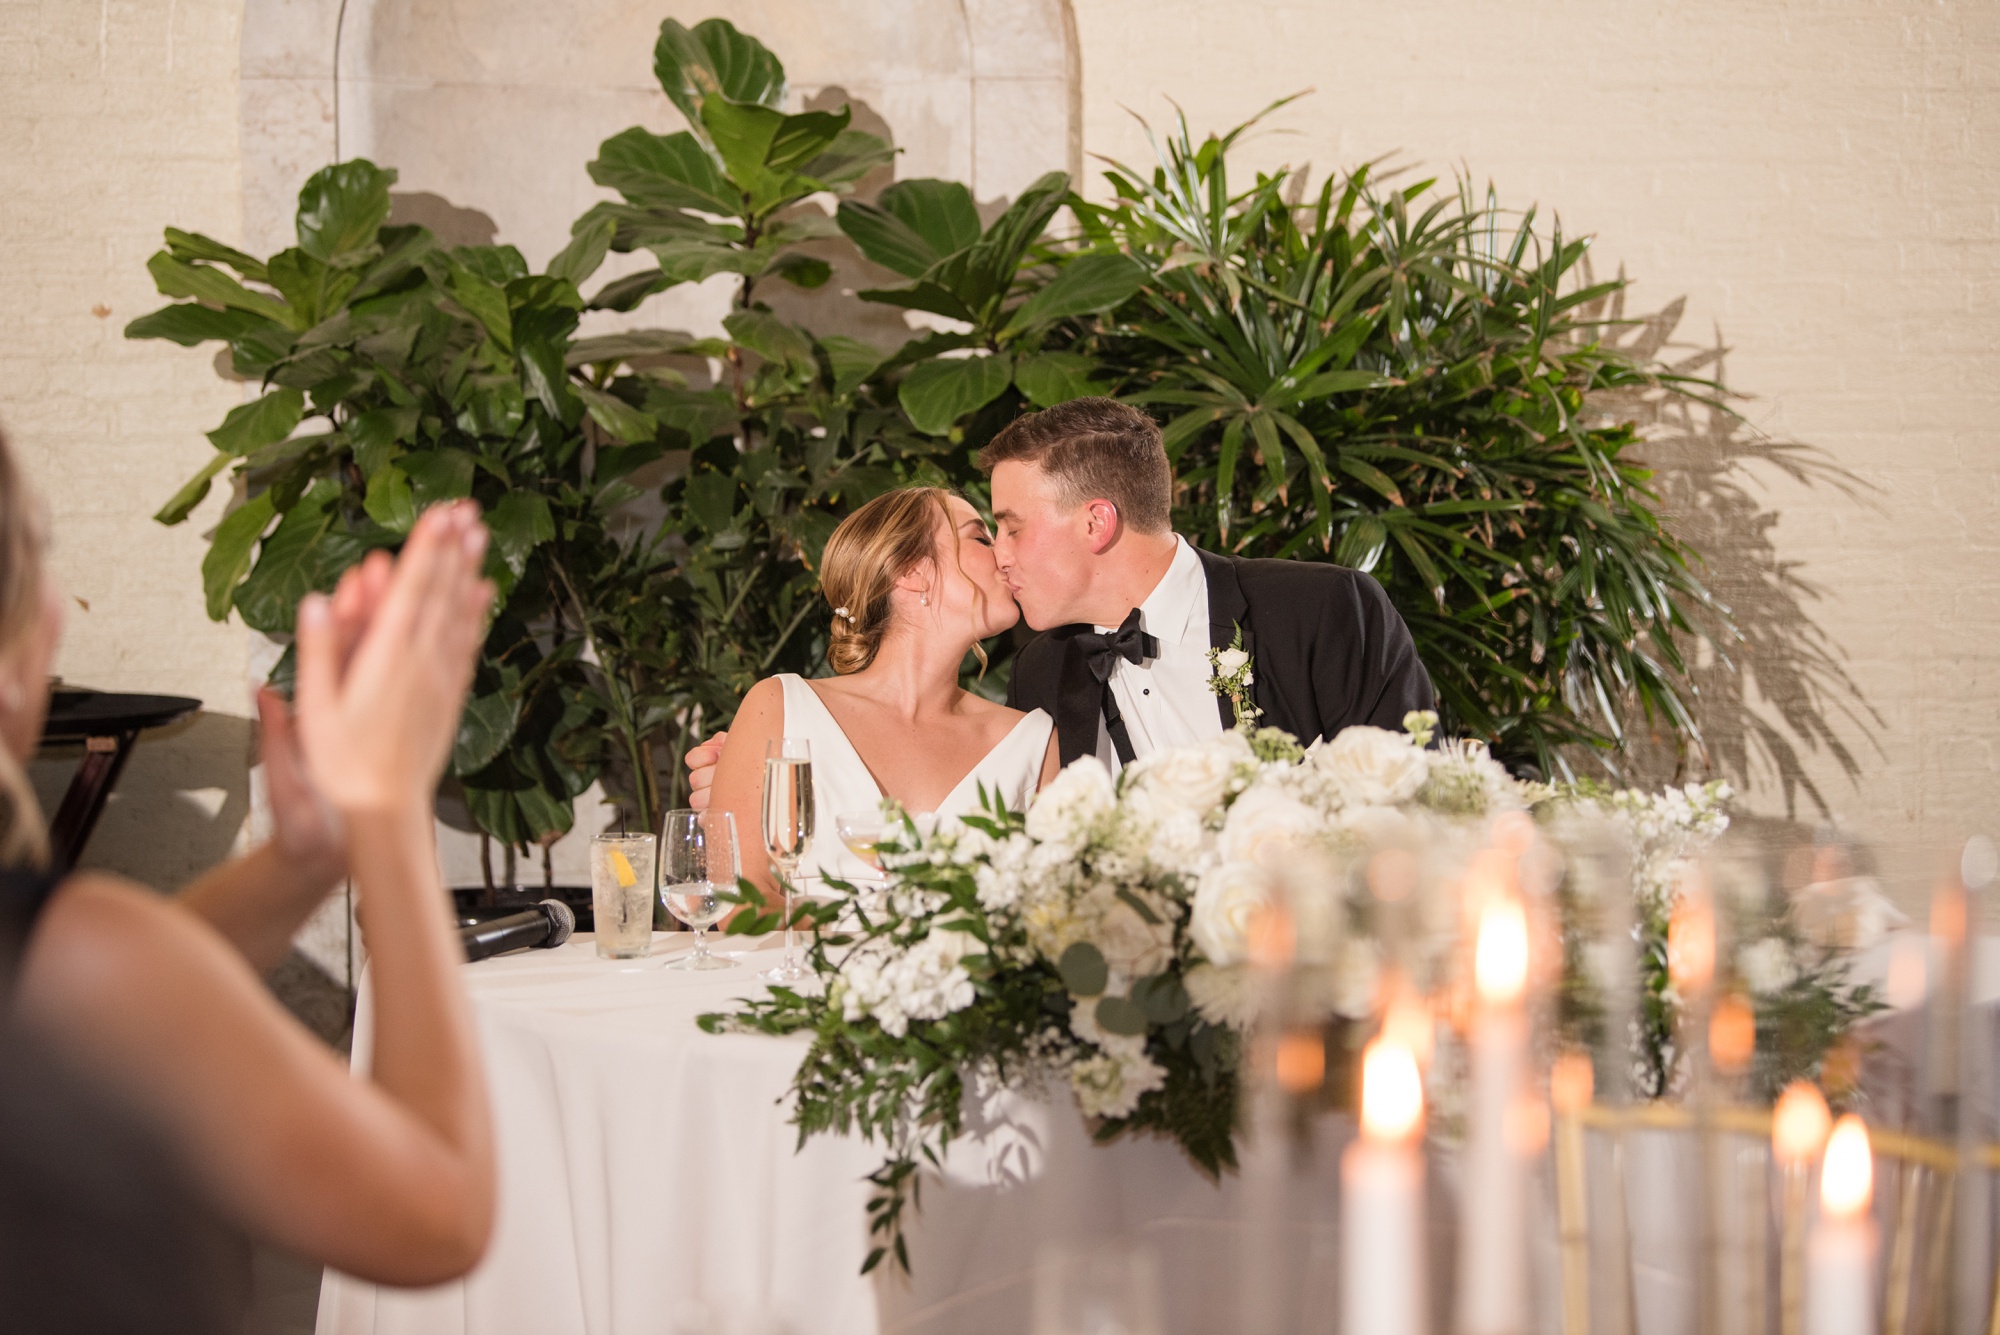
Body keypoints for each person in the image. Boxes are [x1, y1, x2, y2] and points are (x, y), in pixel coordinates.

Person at [0, 425, 501, 1286]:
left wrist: (301, 860)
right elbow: (439, 1215)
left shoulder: (67, 968)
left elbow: (98, 1012)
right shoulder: (70, 955)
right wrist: (389, 805)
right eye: (39, 548)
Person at [686, 398, 1432, 804]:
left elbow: (1429, 802)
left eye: (1007, 527)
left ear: (1095, 522)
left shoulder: (1325, 611)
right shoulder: (1044, 675)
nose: (999, 555)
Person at [704, 487, 1056, 900]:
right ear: (910, 571)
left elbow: (1046, 912)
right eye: (981, 538)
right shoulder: (781, 708)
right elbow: (734, 894)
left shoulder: (1032, 742)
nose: (1003, 555)